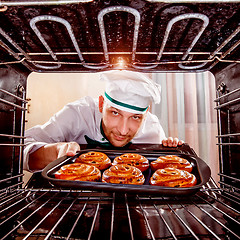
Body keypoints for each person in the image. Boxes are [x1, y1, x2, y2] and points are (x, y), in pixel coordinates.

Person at [23, 70, 183, 171]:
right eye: (115, 113)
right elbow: (18, 151)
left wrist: (172, 148)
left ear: (146, 114)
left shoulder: (153, 129)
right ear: (101, 104)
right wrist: (55, 151)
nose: (123, 130)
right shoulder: (77, 114)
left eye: (135, 117)